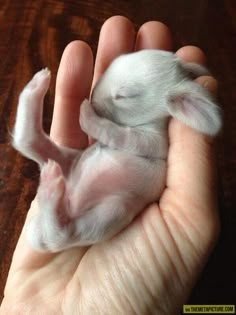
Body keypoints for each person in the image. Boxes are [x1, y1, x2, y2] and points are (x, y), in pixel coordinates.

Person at [0, 16, 220, 314]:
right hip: (91, 165)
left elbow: (135, 142)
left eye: (122, 95)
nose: (98, 96)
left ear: (179, 103)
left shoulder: (159, 146)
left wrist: (101, 128)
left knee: (112, 211)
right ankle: (30, 137)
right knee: (62, 157)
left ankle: (60, 224)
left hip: (106, 193)